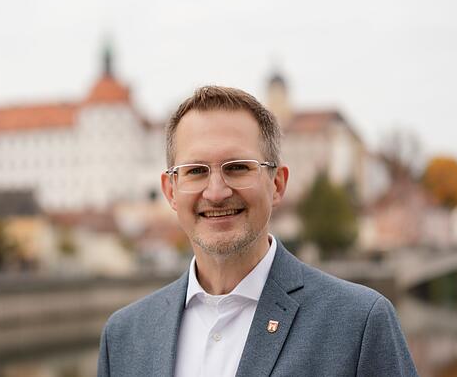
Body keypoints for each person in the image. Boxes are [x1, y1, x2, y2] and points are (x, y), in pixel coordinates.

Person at [97, 86, 417, 377]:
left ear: (277, 185)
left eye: (237, 167)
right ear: (170, 190)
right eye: (195, 171)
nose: (217, 191)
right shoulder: (123, 336)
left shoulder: (358, 323)